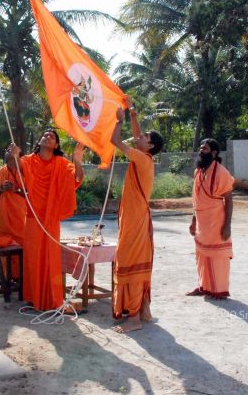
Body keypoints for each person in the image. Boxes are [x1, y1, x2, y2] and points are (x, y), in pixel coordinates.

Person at [10, 130, 85, 311]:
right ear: (39, 141)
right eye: (45, 135)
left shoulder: (61, 163)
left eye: (52, 137)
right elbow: (15, 167)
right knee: (34, 258)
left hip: (51, 219)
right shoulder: (29, 160)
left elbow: (77, 178)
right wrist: (14, 155)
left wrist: (77, 159)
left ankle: (53, 299)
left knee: (51, 259)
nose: (48, 137)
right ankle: (34, 298)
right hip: (33, 217)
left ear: (56, 145)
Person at [109, 99, 163, 333]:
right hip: (136, 215)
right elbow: (137, 134)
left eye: (144, 136)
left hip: (135, 218)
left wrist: (119, 121)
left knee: (129, 260)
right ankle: (142, 308)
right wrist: (132, 112)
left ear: (149, 146)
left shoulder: (141, 158)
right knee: (134, 259)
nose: (139, 136)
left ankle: (133, 319)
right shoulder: (144, 156)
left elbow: (114, 141)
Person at [187, 138, 234, 300]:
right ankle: (204, 286)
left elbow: (229, 200)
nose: (201, 150)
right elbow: (196, 198)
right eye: (201, 148)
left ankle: (219, 290)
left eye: (205, 148)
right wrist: (193, 220)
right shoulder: (198, 172)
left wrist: (227, 225)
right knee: (201, 255)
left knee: (217, 255)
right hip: (201, 222)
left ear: (214, 153)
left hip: (216, 220)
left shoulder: (222, 173)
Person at [0, 148, 27, 279]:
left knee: (21, 247)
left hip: (20, 218)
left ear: (19, 156)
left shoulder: (25, 172)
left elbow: (31, 195)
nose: (8, 151)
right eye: (7, 150)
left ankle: (21, 279)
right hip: (2, 219)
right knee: (5, 247)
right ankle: (7, 278)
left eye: (12, 150)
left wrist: (16, 190)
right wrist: (1, 189)